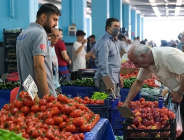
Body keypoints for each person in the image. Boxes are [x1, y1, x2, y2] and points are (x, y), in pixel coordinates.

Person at [122, 44, 184, 139]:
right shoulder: (149, 63)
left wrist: (180, 92)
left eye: (136, 62)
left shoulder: (167, 56)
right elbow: (138, 82)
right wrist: (126, 102)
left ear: (143, 56)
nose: (135, 66)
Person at [16, 3, 61, 98]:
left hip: (28, 94)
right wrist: (47, 97)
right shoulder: (39, 33)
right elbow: (38, 65)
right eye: (54, 19)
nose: (56, 24)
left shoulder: (23, 34)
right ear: (43, 17)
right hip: (40, 97)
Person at [94, 18, 124, 97]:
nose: (118, 29)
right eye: (115, 26)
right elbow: (102, 63)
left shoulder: (113, 41)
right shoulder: (104, 42)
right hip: (107, 80)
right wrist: (107, 82)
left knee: (116, 103)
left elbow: (114, 61)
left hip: (115, 78)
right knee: (109, 105)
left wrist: (119, 76)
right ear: (108, 28)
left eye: (119, 26)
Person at [49, 28, 61, 93]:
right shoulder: (46, 49)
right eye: (53, 35)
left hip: (56, 84)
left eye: (57, 36)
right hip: (49, 85)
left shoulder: (52, 47)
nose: (56, 38)